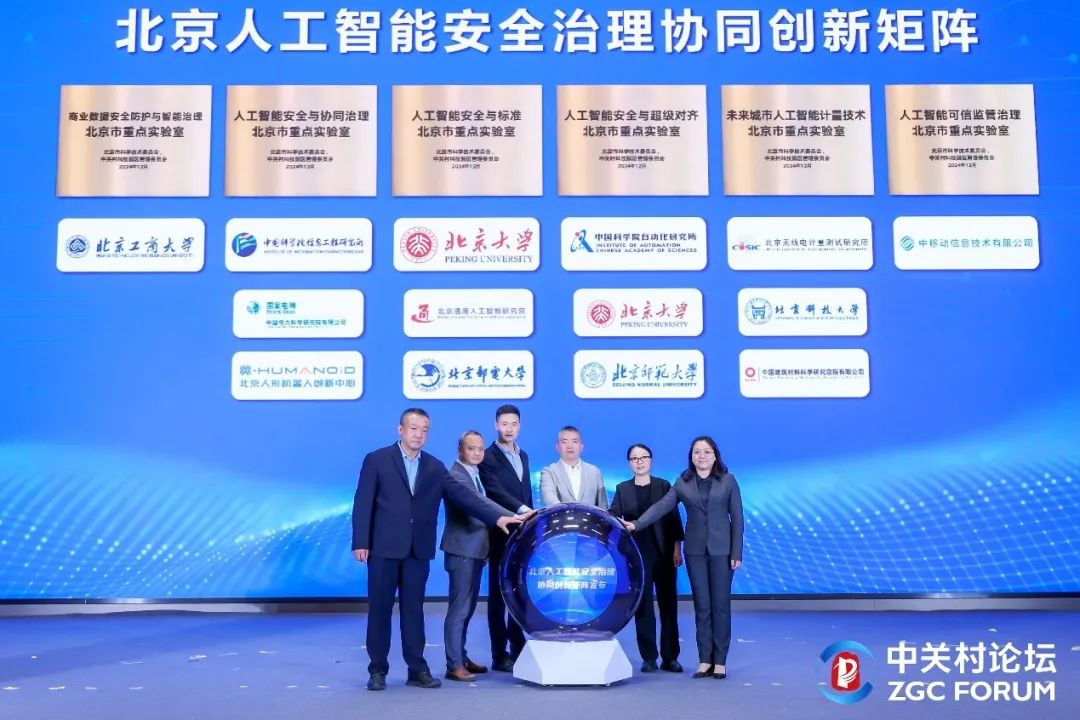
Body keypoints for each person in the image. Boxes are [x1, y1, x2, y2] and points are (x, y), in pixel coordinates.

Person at [352, 408, 524, 691]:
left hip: (418, 550)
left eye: (424, 430)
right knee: (380, 610)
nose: (419, 434)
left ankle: (417, 669)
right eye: (413, 428)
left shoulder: (434, 466)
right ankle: (378, 670)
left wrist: (499, 516)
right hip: (383, 548)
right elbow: (363, 502)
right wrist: (361, 542)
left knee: (414, 611)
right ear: (400, 430)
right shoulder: (377, 459)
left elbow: (465, 496)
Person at [623, 436, 744, 680]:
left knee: (720, 606)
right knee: (702, 606)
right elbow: (661, 507)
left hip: (722, 551)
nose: (702, 456)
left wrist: (736, 552)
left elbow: (737, 517)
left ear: (715, 455)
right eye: (697, 452)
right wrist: (636, 524)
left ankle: (720, 662)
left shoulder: (728, 480)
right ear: (691, 456)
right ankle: (705, 660)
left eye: (706, 452)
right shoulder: (683, 482)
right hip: (695, 551)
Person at [442, 430, 525, 681]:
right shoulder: (456, 476)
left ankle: (461, 656)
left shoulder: (473, 473)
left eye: (480, 449)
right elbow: (478, 504)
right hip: (462, 550)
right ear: (460, 450)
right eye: (471, 448)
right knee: (459, 609)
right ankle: (454, 665)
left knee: (467, 609)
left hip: (476, 550)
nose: (477, 453)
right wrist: (514, 515)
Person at [609, 443, 684, 674]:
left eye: (643, 457)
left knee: (668, 605)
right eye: (634, 458)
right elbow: (613, 515)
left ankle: (670, 657)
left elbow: (673, 519)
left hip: (664, 553)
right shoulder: (623, 489)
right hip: (637, 555)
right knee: (643, 607)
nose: (639, 462)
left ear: (651, 460)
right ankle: (649, 657)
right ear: (629, 463)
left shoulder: (663, 485)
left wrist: (677, 548)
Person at [477, 404, 533, 672]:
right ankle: (499, 654)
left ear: (519, 426)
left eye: (513, 424)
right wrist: (523, 510)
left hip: (522, 533)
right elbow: (494, 492)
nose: (509, 429)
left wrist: (530, 519)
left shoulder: (523, 455)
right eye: (504, 424)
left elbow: (526, 493)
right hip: (500, 531)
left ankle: (519, 647)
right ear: (495, 426)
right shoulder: (487, 456)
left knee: (519, 591)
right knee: (499, 595)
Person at [539, 426, 607, 508]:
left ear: (581, 446)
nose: (570, 446)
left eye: (574, 441)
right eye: (564, 442)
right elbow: (549, 500)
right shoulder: (549, 472)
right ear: (557, 447)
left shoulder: (594, 472)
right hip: (561, 516)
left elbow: (603, 507)